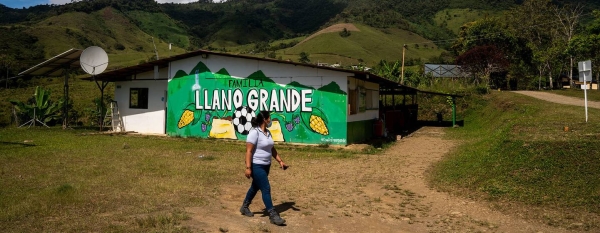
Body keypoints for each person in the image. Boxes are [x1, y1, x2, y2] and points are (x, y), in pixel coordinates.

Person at [240, 111, 287, 226]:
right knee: (266, 188)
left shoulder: (268, 133)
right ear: (265, 119)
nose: (270, 120)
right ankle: (273, 214)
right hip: (257, 165)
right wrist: (248, 167)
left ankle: (244, 207)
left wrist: (280, 161)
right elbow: (249, 151)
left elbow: (272, 149)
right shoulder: (254, 133)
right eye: (269, 118)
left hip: (267, 165)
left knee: (255, 186)